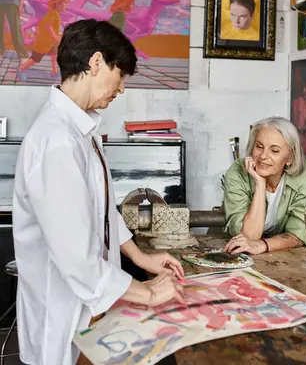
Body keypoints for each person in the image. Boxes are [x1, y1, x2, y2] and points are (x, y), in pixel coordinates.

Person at [13, 19, 185, 365]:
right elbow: (75, 257)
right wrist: (147, 292)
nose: (121, 88)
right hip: (64, 311)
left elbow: (103, 211)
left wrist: (139, 257)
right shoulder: (56, 140)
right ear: (95, 63)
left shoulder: (83, 128)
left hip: (91, 308)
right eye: (119, 74)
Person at [223, 116, 306, 255]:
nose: (263, 156)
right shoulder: (237, 172)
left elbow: (301, 232)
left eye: (274, 151)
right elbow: (248, 237)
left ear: (290, 158)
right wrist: (260, 183)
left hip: (281, 254)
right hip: (233, 252)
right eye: (259, 147)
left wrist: (263, 245)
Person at [18, 0, 70, 78]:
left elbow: (42, 24)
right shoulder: (53, 13)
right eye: (65, 3)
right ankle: (21, 69)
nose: (66, 5)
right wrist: (54, 36)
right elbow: (47, 25)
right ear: (57, 4)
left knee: (54, 54)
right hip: (44, 42)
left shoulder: (55, 13)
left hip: (50, 42)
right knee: (35, 59)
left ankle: (54, 70)